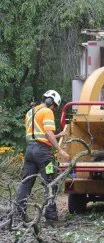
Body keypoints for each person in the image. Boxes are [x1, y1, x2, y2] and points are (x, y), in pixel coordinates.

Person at [17, 90, 70, 223]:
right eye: (54, 106)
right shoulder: (47, 111)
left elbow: (38, 133)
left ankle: (19, 216)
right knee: (50, 182)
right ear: (50, 101)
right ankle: (51, 218)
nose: (54, 108)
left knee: (25, 184)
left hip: (30, 151)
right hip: (43, 154)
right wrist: (60, 150)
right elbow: (47, 132)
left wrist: (58, 135)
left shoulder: (30, 113)